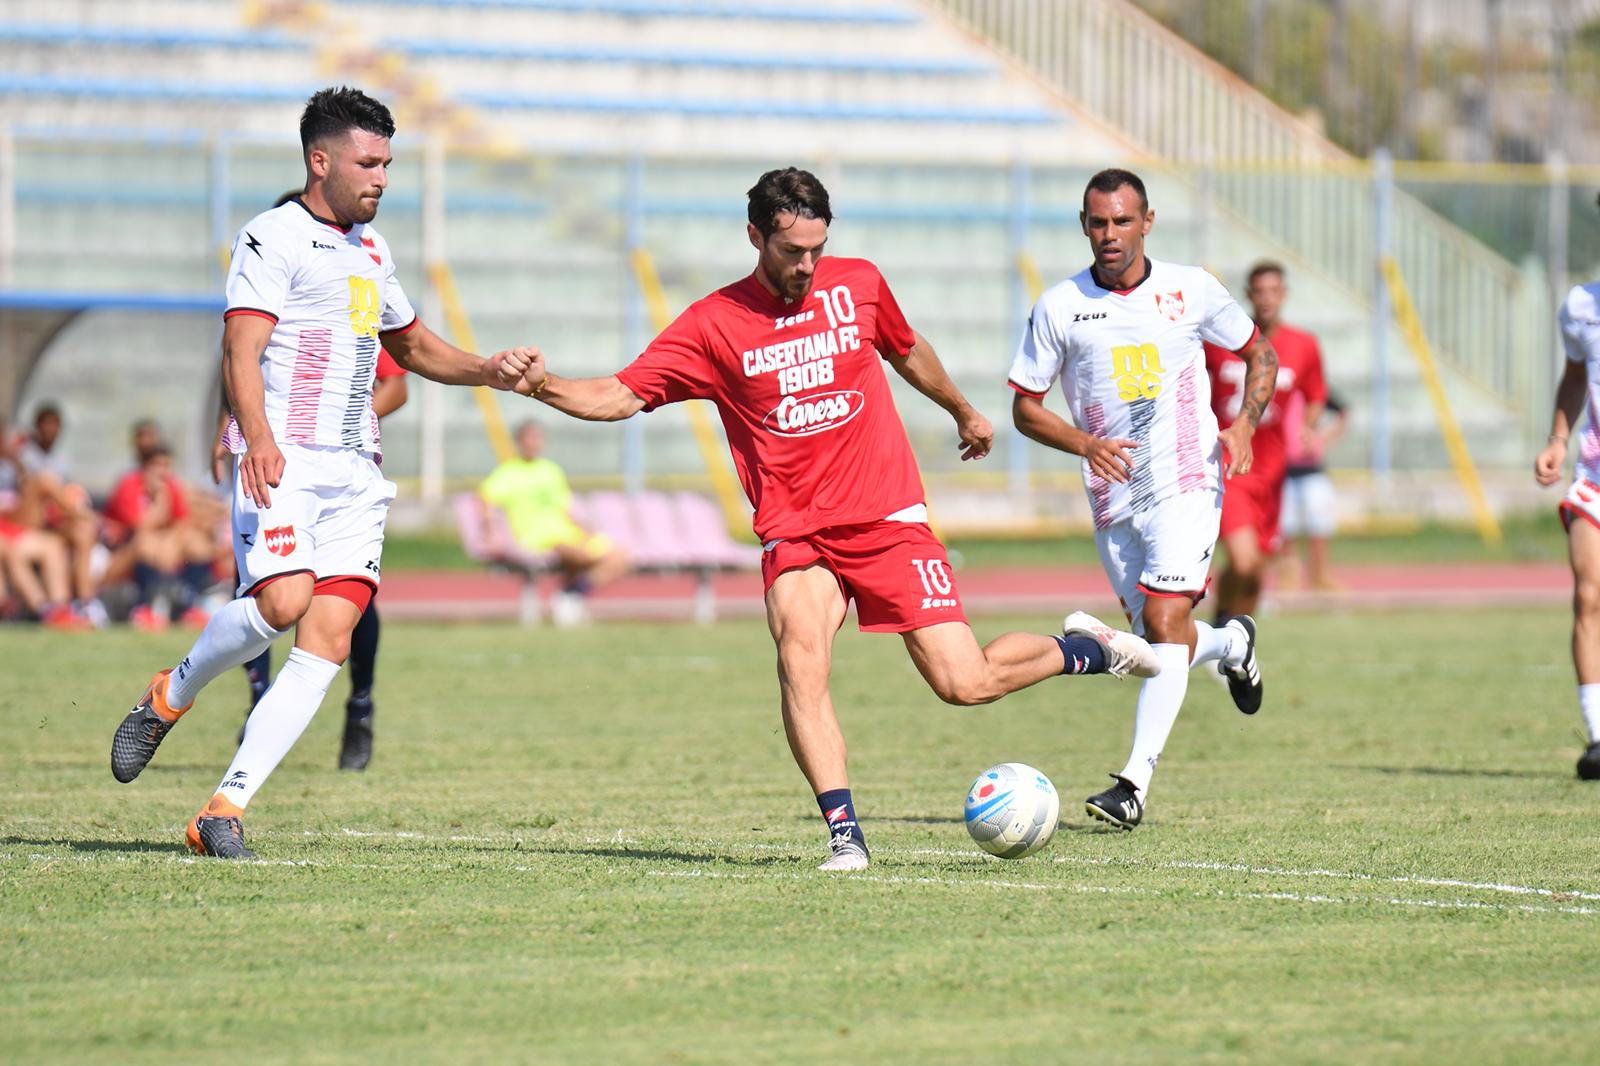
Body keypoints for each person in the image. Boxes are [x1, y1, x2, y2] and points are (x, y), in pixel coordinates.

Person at [502, 167, 1159, 872]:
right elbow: (620, 395)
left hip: (885, 517)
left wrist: (961, 409)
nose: (807, 265)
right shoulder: (713, 324)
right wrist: (543, 385)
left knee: (963, 683)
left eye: (817, 248)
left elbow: (905, 347)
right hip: (797, 533)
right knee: (800, 659)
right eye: (791, 251)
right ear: (756, 237)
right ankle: (845, 835)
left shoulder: (860, 284)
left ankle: (1087, 649)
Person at [109, 85, 537, 858]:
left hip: (355, 472)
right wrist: (257, 435)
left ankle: (223, 811)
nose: (380, 177)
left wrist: (487, 369)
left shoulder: (372, 250)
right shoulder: (272, 236)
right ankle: (171, 692)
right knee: (281, 602)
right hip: (285, 461)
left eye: (388, 164)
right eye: (367, 162)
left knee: (328, 637)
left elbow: (411, 347)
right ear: (320, 160)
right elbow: (239, 347)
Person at [1008, 168, 1277, 831]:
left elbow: (1259, 353)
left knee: (1161, 626)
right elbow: (1023, 408)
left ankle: (1132, 784)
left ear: (1147, 222)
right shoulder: (1060, 306)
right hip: (1112, 497)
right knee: (1159, 646)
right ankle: (1233, 645)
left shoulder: (1190, 288)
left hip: (1188, 480)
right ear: (1083, 225)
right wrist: (1082, 444)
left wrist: (1243, 424)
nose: (1110, 234)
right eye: (1098, 222)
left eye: (1122, 221)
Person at [233, 344, 409, 770]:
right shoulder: (267, 302)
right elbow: (238, 365)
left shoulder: (354, 298)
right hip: (272, 464)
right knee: (257, 591)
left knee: (350, 599)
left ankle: (360, 705)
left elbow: (397, 385)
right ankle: (258, 701)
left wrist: (347, 424)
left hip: (337, 470)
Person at [1204, 261, 1327, 622]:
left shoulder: (1303, 345)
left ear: (1284, 294)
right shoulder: (1221, 341)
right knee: (1245, 561)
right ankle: (1220, 629)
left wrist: (1308, 424)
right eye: (1260, 291)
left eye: (1274, 291)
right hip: (1229, 465)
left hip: (1272, 473)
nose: (1267, 299)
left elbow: (1317, 394)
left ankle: (1233, 640)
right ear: (1249, 295)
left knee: (1256, 571)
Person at [1535, 272, 1600, 781]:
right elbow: (1575, 374)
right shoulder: (1580, 306)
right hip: (1594, 475)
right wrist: (1559, 438)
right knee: (1588, 596)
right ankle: (1599, 736)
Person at [478, 420, 629, 623]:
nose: (533, 443)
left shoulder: (551, 471)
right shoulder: (508, 472)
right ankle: (568, 598)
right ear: (519, 442)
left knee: (621, 558)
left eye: (537, 438)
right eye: (529, 438)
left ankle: (572, 593)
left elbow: (565, 508)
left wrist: (584, 529)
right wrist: (490, 530)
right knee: (579, 555)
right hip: (536, 536)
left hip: (565, 532)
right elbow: (485, 499)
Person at [101, 442, 222, 629]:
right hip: (119, 554)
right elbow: (139, 528)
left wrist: (171, 542)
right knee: (145, 544)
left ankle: (195, 602)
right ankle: (149, 606)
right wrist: (160, 502)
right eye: (159, 466)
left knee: (196, 545)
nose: (164, 472)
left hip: (159, 548)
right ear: (146, 467)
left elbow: (182, 522)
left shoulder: (170, 486)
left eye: (167, 466)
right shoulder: (130, 485)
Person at [15, 403, 102, 625]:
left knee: (84, 532)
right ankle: (85, 515)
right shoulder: (22, 454)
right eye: (47, 424)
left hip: (51, 521)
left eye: (55, 425)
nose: (51, 429)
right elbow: (25, 490)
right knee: (45, 481)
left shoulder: (61, 459)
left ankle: (85, 604)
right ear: (37, 426)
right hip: (25, 516)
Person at [1278, 387, 1348, 590]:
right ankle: (1288, 574)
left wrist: (1323, 438)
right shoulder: (1278, 386)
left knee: (1319, 525)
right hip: (1282, 469)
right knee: (1285, 527)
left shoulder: (1314, 389)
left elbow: (1343, 412)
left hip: (1312, 469)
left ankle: (1320, 574)